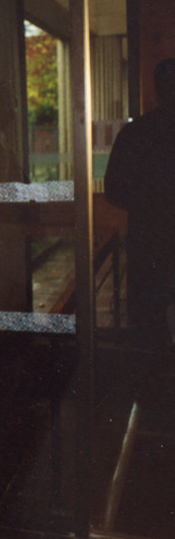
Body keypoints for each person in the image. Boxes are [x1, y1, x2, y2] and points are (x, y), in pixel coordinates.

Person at [105, 58, 175, 355]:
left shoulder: (136, 133)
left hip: (148, 242)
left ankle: (153, 378)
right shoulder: (136, 133)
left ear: (156, 90)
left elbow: (114, 189)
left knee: (149, 328)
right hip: (152, 242)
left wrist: (148, 206)